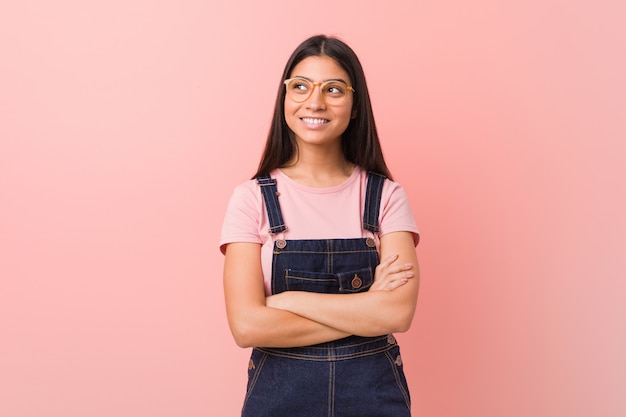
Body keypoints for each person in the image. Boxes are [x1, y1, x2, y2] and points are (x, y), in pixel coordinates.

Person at [220, 34, 420, 417]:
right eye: (300, 86)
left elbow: (396, 314)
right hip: (278, 400)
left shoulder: (387, 197)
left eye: (333, 89)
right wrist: (365, 310)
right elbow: (247, 326)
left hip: (373, 400)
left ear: (355, 104)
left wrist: (289, 303)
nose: (315, 102)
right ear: (284, 99)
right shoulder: (251, 199)